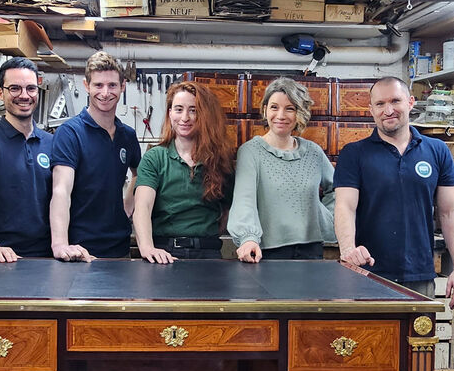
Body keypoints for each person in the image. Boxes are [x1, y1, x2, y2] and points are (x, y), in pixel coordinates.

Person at [334, 76, 454, 300]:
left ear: (410, 102)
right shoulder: (354, 153)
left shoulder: (437, 151)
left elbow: (449, 213)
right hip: (368, 273)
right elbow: (345, 207)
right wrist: (348, 250)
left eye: (395, 101)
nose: (388, 110)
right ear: (371, 109)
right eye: (380, 104)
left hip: (419, 274)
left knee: (419, 325)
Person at [227, 77, 335, 262]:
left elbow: (338, 190)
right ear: (265, 110)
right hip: (267, 251)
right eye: (274, 107)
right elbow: (244, 200)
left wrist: (329, 219)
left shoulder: (314, 152)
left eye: (290, 108)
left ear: (299, 112)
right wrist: (248, 238)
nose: (281, 115)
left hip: (312, 249)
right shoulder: (250, 152)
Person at [49, 51, 140, 261]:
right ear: (86, 86)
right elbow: (61, 190)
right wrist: (60, 244)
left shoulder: (127, 135)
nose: (105, 93)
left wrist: (127, 207)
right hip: (81, 250)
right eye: (98, 85)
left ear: (123, 86)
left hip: (120, 248)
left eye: (112, 85)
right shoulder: (70, 133)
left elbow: (139, 174)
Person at [133, 81, 235, 263]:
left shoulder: (220, 160)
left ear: (204, 115)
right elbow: (142, 207)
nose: (185, 117)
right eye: (178, 109)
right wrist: (147, 247)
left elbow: (226, 212)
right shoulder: (154, 158)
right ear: (170, 113)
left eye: (193, 110)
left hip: (209, 254)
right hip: (165, 253)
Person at [0, 57, 53, 260]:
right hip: (1, 258)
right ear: (1, 93)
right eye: (15, 88)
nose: (24, 95)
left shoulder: (52, 142)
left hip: (47, 257)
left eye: (31, 88)